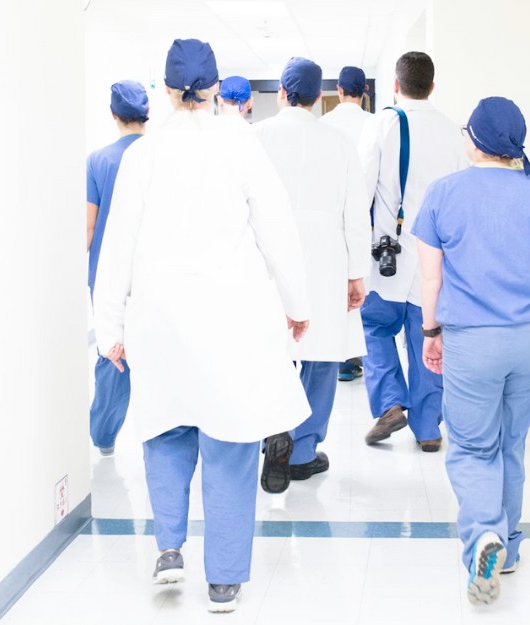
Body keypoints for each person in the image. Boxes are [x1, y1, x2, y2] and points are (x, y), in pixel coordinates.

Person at [91, 38, 312, 614]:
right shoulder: (241, 145)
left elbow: (117, 245)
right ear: (216, 88)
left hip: (160, 320)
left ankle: (169, 551)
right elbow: (277, 229)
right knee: (231, 444)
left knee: (165, 432)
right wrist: (298, 303)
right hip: (231, 320)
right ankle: (224, 581)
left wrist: (108, 323)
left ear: (166, 90)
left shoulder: (143, 153)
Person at [411, 97, 530, 605]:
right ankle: (507, 548)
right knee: (511, 445)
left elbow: (430, 278)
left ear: (476, 140)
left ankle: (483, 534)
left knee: (471, 448)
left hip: (473, 344)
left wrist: (430, 333)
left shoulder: (444, 194)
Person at [253, 58, 371, 493]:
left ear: (282, 94)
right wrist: (357, 274)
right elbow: (357, 216)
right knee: (321, 355)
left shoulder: (257, 137)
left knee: (272, 349)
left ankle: (272, 432)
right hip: (326, 257)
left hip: (270, 257)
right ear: (319, 97)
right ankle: (302, 452)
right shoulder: (339, 142)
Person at [358, 52, 468, 452]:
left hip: (387, 258)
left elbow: (361, 190)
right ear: (432, 87)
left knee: (373, 329)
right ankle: (428, 429)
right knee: (430, 339)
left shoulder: (383, 123)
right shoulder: (454, 132)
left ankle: (391, 403)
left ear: (396, 85)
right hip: (435, 264)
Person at [85, 80, 148, 456]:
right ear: (148, 114)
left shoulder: (98, 160)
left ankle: (105, 436)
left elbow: (89, 226)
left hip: (108, 271)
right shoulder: (161, 155)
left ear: (113, 115)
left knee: (113, 352)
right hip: (153, 270)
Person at [321, 65, 374, 383]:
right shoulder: (375, 123)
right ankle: (358, 354)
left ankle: (340, 359)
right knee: (362, 287)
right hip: (365, 216)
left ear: (338, 90)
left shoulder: (324, 125)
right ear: (365, 91)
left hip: (330, 218)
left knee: (334, 285)